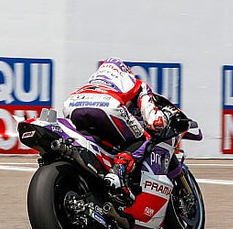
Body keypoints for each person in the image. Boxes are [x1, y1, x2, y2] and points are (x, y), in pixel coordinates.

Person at [61, 58, 172, 202]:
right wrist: (164, 119)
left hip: (72, 105)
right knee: (143, 139)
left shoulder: (95, 81)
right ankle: (119, 170)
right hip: (108, 105)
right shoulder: (137, 83)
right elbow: (153, 120)